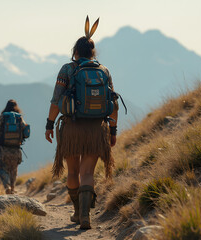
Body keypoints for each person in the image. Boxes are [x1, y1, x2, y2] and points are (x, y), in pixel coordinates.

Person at [45, 16, 119, 229]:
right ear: (92, 52)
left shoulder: (67, 70)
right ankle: (85, 216)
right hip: (97, 129)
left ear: (75, 51)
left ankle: (77, 211)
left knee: (72, 172)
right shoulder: (103, 71)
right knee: (88, 173)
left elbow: (56, 102)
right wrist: (112, 131)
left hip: (72, 128)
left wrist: (49, 125)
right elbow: (112, 104)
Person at [0, 99, 26, 194]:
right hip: (16, 149)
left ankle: (7, 187)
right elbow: (25, 131)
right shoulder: (20, 118)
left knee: (3, 168)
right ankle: (13, 188)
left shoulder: (2, 117)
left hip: (4, 149)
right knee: (14, 170)